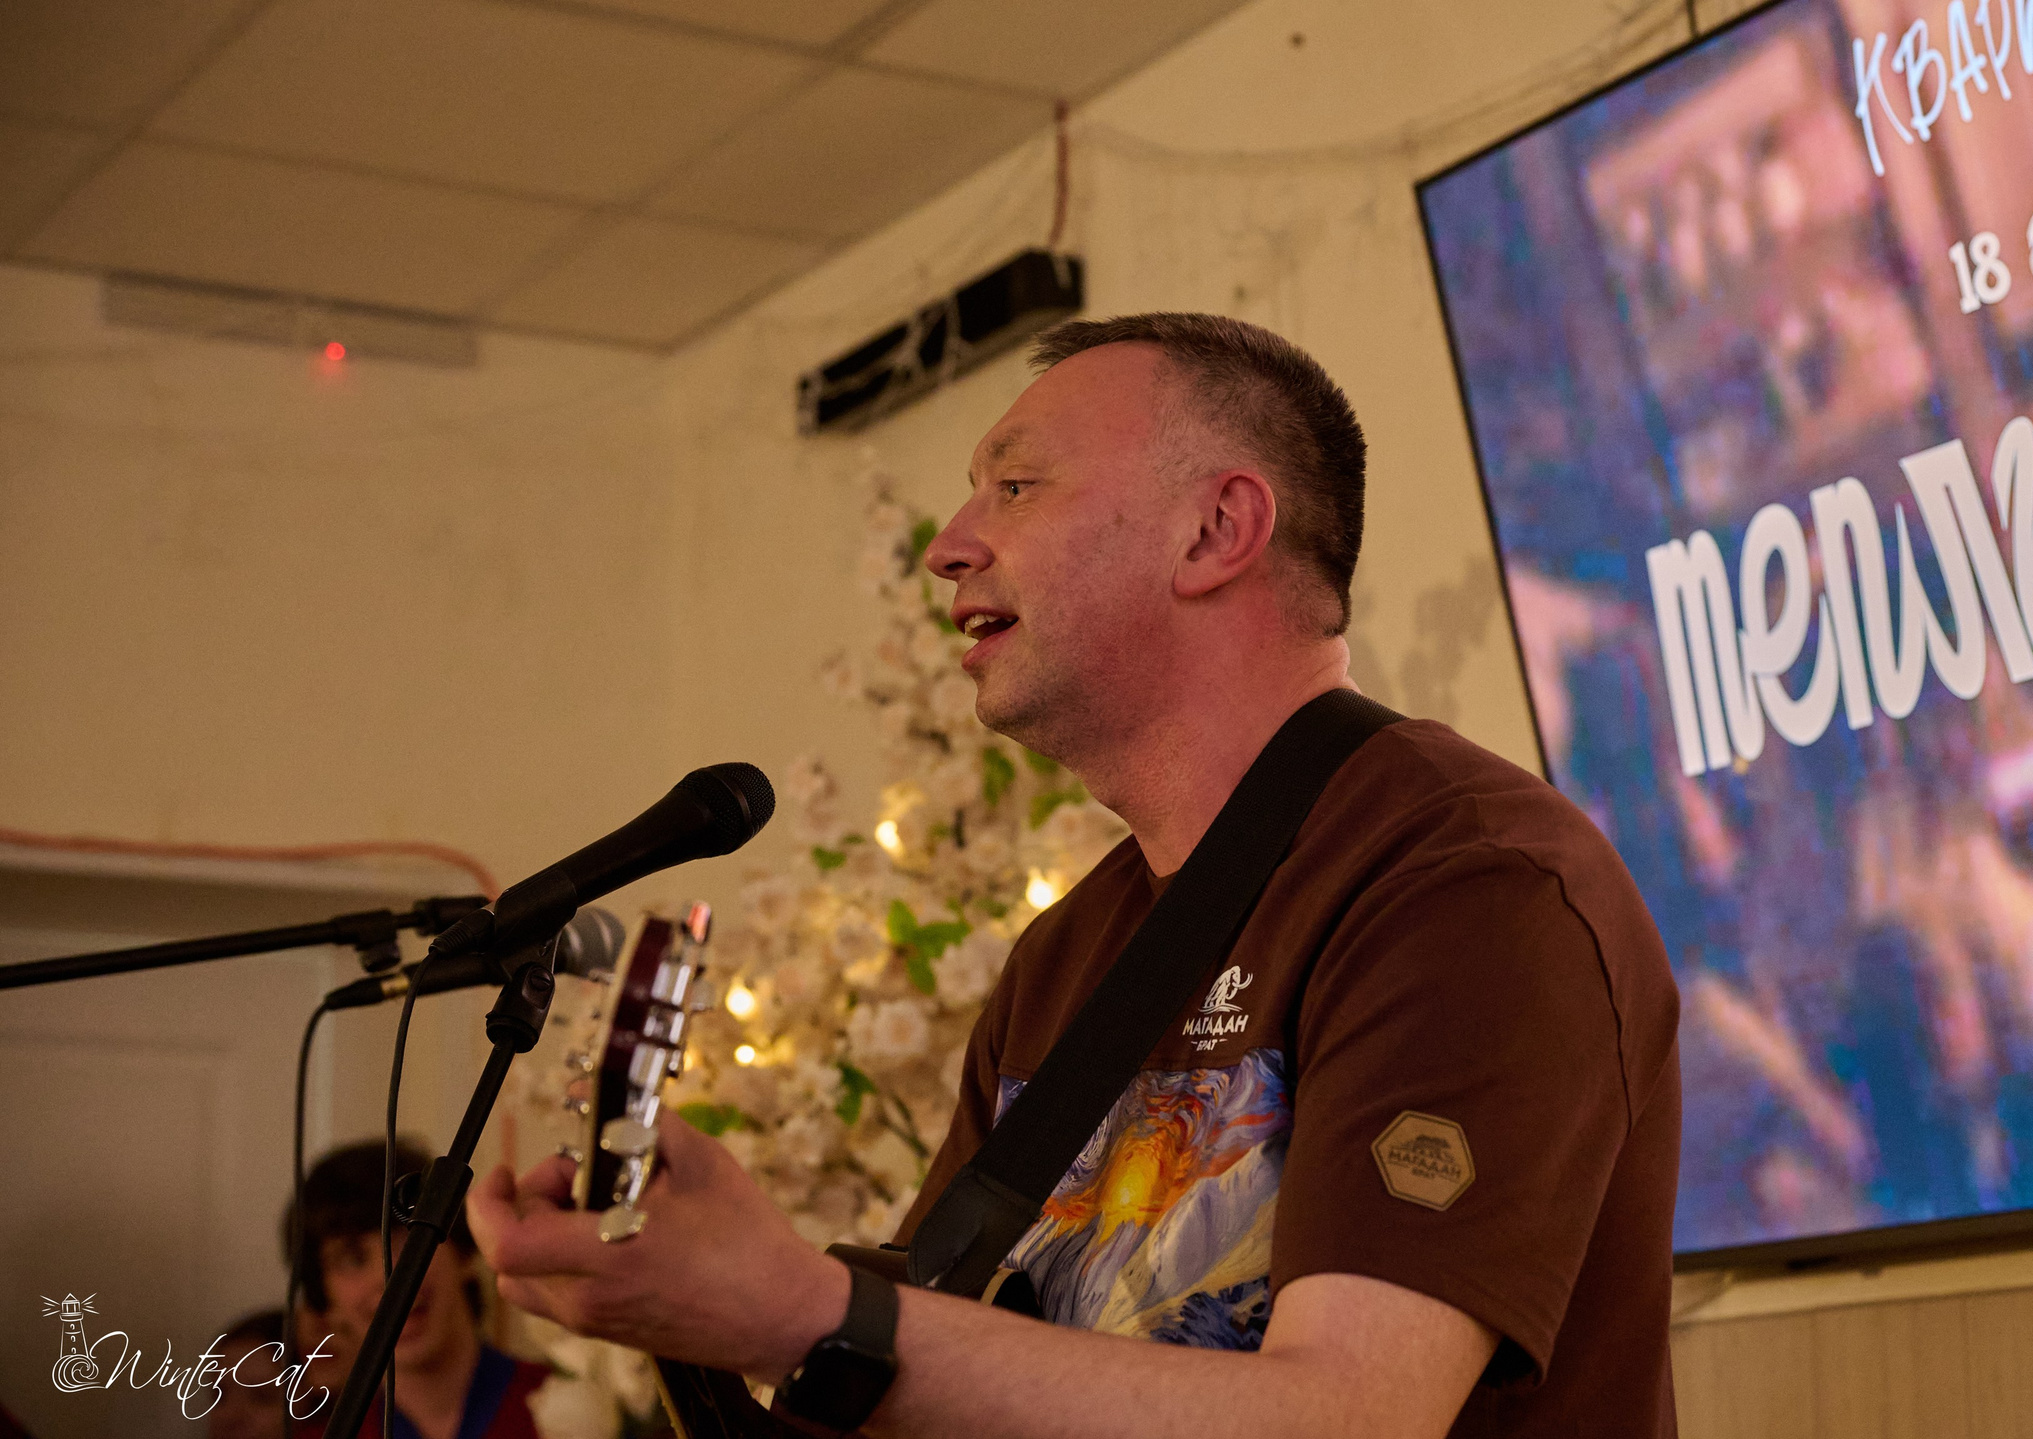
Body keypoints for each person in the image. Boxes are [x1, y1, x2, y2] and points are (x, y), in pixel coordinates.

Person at [469, 313, 1681, 1437]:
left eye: (1016, 484)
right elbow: (959, 1370)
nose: (949, 545)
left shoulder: (1466, 882)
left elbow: (1350, 1415)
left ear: (1216, 530)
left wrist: (802, 1307)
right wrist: (690, 1305)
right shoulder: (1068, 955)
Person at [288, 1141, 547, 1439]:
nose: (387, 1277)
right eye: (352, 1259)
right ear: (326, 1300)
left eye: (408, 1240)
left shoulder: (581, 1409)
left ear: (462, 1251)